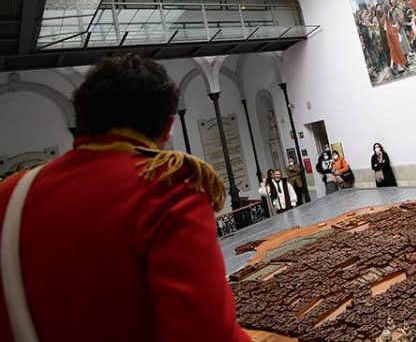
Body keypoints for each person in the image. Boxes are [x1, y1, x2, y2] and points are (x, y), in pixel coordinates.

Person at [0, 54, 249, 342]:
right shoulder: (165, 188)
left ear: (81, 118)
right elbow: (207, 334)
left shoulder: (10, 194)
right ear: (168, 127)